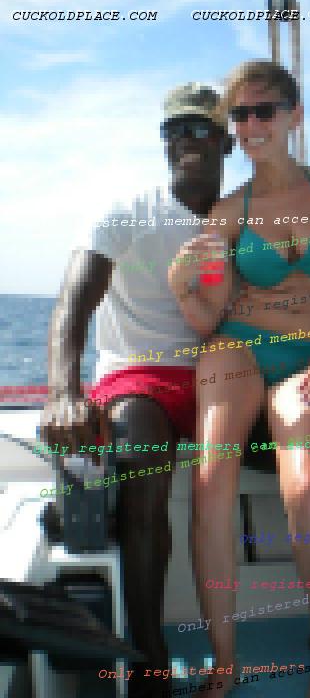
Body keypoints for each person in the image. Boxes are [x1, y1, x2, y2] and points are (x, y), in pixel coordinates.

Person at [169, 59, 310, 698]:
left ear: (294, 116)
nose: (252, 124)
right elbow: (208, 317)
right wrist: (181, 283)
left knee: (307, 484)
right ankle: (224, 662)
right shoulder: (229, 211)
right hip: (238, 347)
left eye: (265, 110)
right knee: (209, 480)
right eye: (240, 114)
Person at [40, 83, 233, 698]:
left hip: (221, 373)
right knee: (143, 470)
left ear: (227, 141)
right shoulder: (127, 212)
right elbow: (73, 302)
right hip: (139, 375)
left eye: (202, 129)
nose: (187, 140)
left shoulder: (246, 217)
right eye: (175, 130)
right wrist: (63, 392)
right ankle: (149, 653)